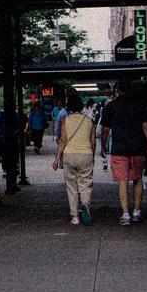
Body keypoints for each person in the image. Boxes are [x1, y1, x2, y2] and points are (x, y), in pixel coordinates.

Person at [99, 81, 147, 225]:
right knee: (138, 179)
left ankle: (125, 215)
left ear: (118, 90)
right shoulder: (140, 106)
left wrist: (103, 145)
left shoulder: (111, 107)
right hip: (138, 147)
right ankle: (137, 211)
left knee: (122, 181)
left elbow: (105, 129)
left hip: (119, 148)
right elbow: (145, 127)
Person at [53, 91, 96, 226]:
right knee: (86, 183)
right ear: (81, 106)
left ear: (69, 107)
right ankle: (85, 205)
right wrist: (92, 156)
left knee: (71, 186)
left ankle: (75, 216)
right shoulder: (89, 121)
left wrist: (57, 158)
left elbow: (63, 140)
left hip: (69, 155)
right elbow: (93, 141)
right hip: (86, 154)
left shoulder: (66, 121)